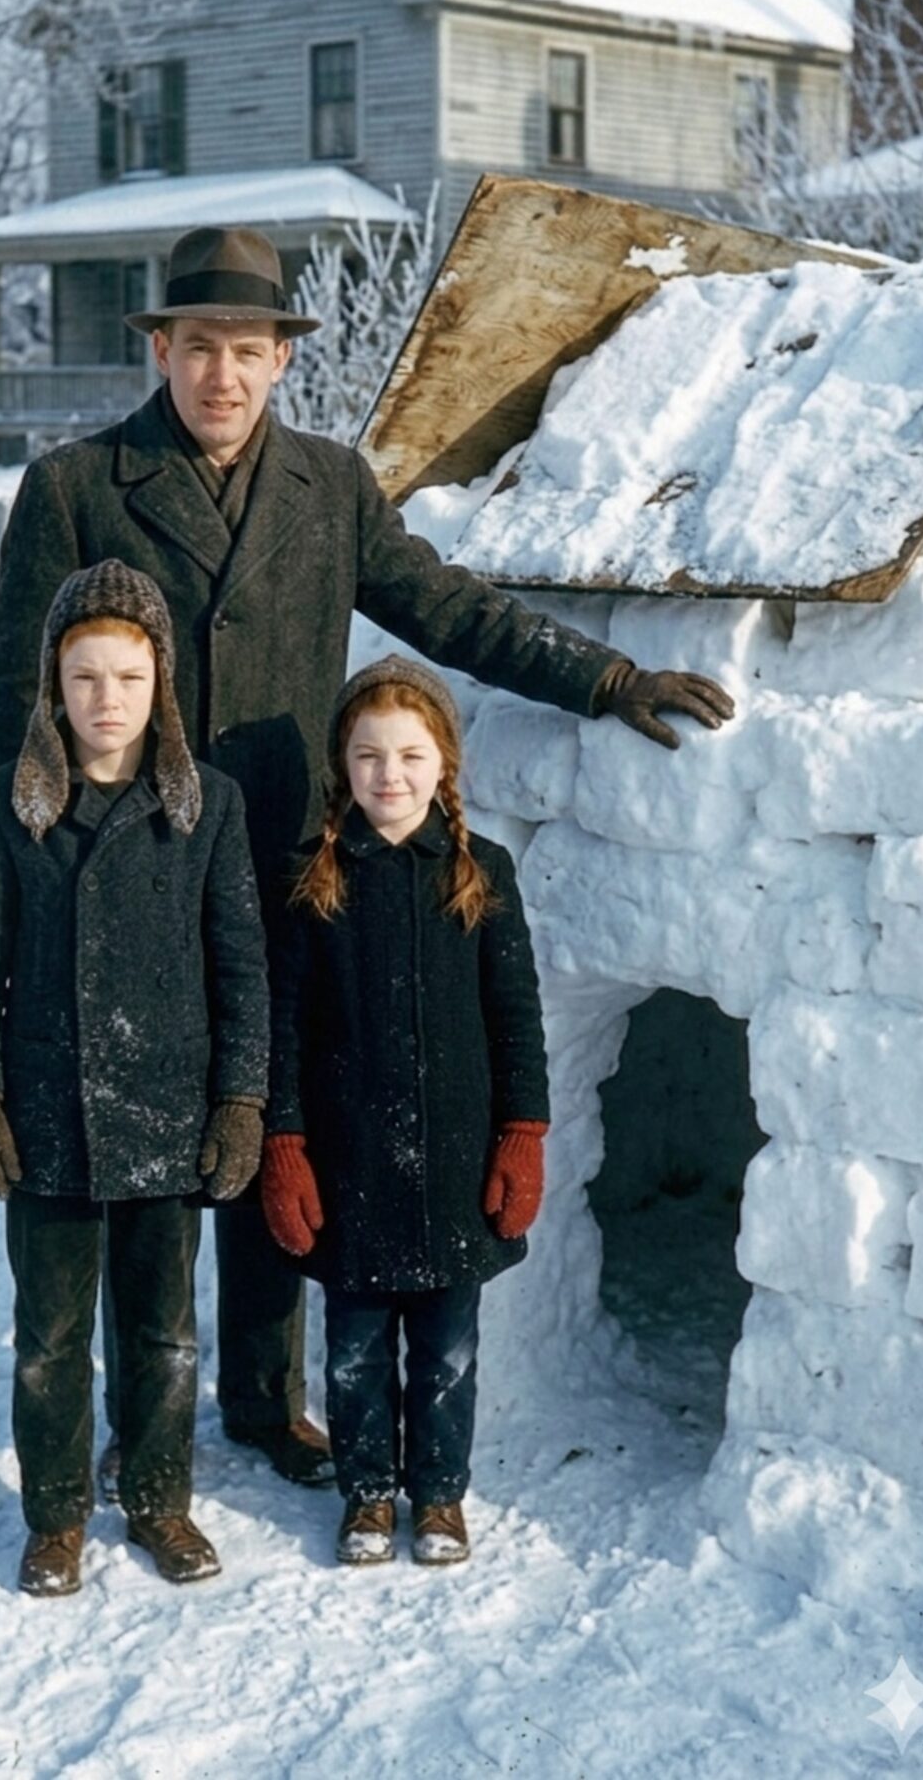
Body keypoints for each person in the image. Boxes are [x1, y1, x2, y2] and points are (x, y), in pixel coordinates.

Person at [0, 224, 734, 1493]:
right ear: (161, 348)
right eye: (201, 346)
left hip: (277, 863)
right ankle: (131, 1414)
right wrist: (22, 874)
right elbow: (13, 707)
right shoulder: (75, 486)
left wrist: (603, 676)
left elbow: (447, 608)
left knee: (274, 1120)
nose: (224, 374)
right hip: (126, 876)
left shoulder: (330, 488)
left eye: (251, 349)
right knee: (128, 1151)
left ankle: (263, 1399)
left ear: (284, 361)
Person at [0, 559, 269, 1596]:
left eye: (128, 678)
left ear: (160, 683)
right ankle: (55, 1513)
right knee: (48, 1334)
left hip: (166, 1116)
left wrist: (241, 1098)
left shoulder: (205, 806)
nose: (106, 701)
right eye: (85, 678)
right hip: (47, 1116)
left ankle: (160, 1497)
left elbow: (241, 962)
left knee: (165, 1329)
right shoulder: (6, 804)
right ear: (53, 683)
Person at [260, 655, 548, 1567]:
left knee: (447, 1351)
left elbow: (517, 1015)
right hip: (348, 1168)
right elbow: (284, 1027)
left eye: (412, 755)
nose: (392, 775)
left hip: (456, 1165)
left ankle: (439, 1496)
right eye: (370, 755)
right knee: (352, 1351)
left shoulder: (480, 872)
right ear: (343, 767)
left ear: (444, 765)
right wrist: (285, 1144)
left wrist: (522, 1134)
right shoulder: (314, 879)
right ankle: (368, 1494)